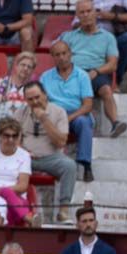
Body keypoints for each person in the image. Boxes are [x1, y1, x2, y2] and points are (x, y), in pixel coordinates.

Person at [60, 0, 127, 139]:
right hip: (74, 72)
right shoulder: (68, 36)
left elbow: (113, 64)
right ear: (77, 15)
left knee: (106, 90)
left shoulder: (108, 37)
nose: (86, 15)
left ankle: (115, 123)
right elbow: (59, 57)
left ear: (95, 13)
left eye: (89, 11)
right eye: (82, 12)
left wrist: (96, 71)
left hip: (96, 72)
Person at [16, 81, 76, 224]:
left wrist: (44, 119)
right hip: (26, 159)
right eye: (30, 99)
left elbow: (61, 142)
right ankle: (19, 210)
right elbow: (15, 141)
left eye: (37, 97)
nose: (35, 102)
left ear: (45, 95)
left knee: (70, 166)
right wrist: (23, 152)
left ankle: (63, 211)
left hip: (51, 157)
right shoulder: (20, 113)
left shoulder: (59, 112)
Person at [39, 41, 96, 182]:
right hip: (54, 113)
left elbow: (88, 105)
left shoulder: (82, 75)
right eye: (57, 54)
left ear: (70, 54)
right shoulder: (45, 77)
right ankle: (47, 165)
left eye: (64, 53)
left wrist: (68, 118)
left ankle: (85, 165)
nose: (62, 57)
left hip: (76, 113)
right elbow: (41, 102)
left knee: (84, 122)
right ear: (52, 56)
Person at [0, 117, 36, 227]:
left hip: (17, 198)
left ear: (19, 136)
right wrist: (0, 192)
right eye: (7, 135)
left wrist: (3, 191)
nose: (11, 139)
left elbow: (23, 186)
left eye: (14, 136)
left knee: (7, 200)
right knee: (3, 204)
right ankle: (27, 218)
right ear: (0, 136)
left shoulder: (24, 155)